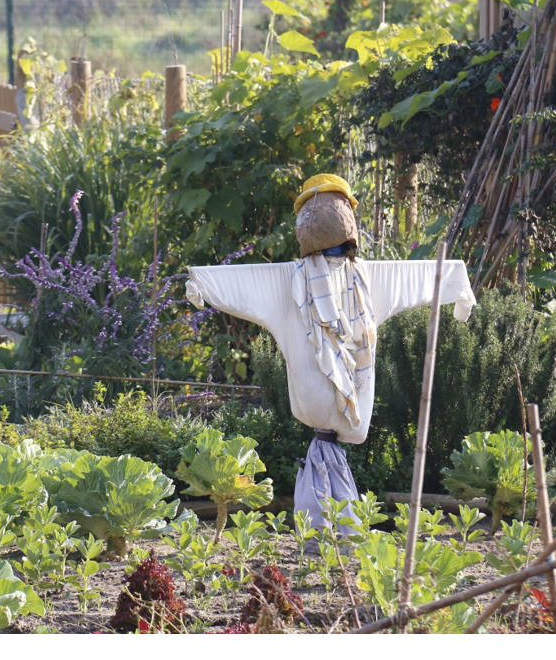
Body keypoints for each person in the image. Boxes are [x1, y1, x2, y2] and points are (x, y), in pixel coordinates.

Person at [185, 174, 477, 541]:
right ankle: (329, 531)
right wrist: (456, 284)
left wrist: (453, 280)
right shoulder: (296, 282)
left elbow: (421, 276)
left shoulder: (360, 281)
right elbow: (242, 283)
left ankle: (326, 531)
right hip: (327, 414)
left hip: (338, 410)